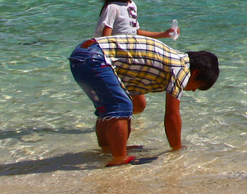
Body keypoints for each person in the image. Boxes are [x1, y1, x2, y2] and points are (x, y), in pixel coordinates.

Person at [66, 33, 220, 166]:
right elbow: (172, 116)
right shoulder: (181, 68)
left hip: (83, 53)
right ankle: (119, 158)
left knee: (111, 108)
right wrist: (176, 149)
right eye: (198, 86)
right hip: (95, 57)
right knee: (122, 106)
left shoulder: (172, 59)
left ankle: (108, 150)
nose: (193, 90)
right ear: (195, 73)